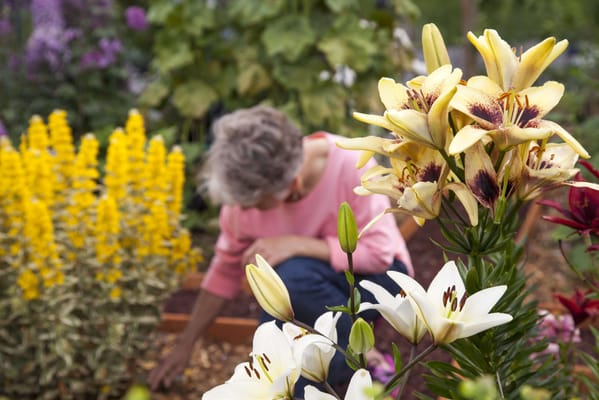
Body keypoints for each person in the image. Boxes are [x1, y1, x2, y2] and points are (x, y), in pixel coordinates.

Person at [148, 105, 413, 393]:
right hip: (304, 289)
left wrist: (298, 244)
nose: (245, 210)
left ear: (293, 184)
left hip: (378, 283)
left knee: (289, 278)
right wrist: (186, 343)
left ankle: (348, 369)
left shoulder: (351, 164)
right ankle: (356, 363)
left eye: (255, 204)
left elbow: (378, 254)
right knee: (281, 310)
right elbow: (223, 271)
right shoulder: (242, 202)